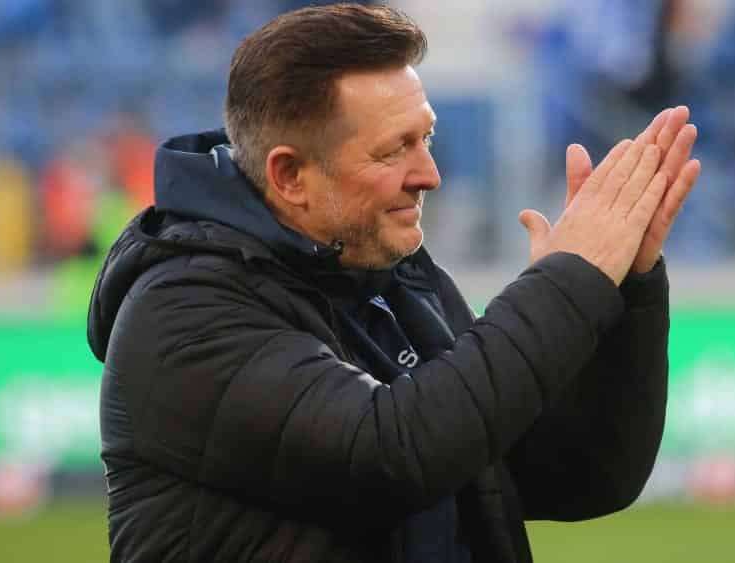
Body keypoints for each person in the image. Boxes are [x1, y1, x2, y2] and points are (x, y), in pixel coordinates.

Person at [87, 4, 701, 562]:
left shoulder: (396, 281)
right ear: (290, 176)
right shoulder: (183, 313)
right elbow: (391, 454)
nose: (429, 173)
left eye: (425, 137)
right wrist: (566, 283)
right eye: (393, 150)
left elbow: (580, 476)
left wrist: (625, 286)